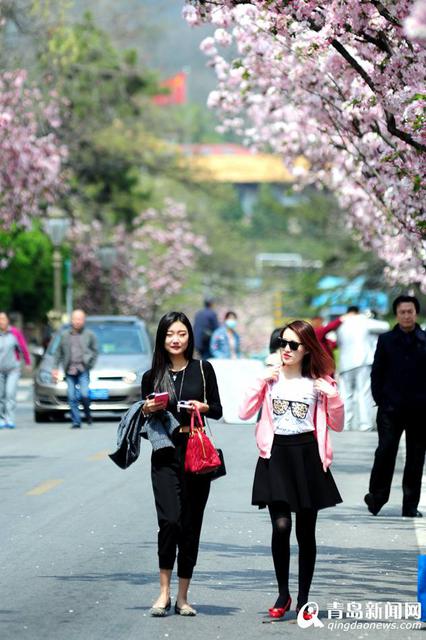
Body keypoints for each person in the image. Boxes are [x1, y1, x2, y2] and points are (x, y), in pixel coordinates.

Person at [239, 320, 344, 619]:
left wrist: (333, 397)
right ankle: (283, 593)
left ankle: (303, 599)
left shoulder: (319, 383)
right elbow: (243, 411)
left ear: (306, 348)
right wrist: (260, 381)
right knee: (281, 526)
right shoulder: (270, 379)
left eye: (293, 345)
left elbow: (337, 423)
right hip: (276, 455)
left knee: (305, 532)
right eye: (282, 343)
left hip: (307, 457)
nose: (286, 349)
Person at [141, 311, 223, 617]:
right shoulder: (151, 376)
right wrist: (147, 408)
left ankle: (183, 596)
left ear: (189, 337)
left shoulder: (203, 369)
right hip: (164, 454)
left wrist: (203, 406)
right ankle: (163, 593)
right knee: (170, 522)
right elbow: (146, 421)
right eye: (169, 334)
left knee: (190, 525)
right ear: (161, 339)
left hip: (195, 452)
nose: (175, 340)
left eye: (182, 334)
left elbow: (217, 409)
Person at [365, 295, 426, 518]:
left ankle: (410, 506)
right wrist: (380, 399)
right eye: (402, 312)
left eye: (410, 311)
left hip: (421, 410)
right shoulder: (386, 340)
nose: (407, 315)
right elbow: (377, 371)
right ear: (397, 314)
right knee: (385, 451)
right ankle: (377, 497)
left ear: (416, 313)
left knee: (416, 458)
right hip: (390, 408)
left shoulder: (424, 339)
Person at [336, 306, 388, 431]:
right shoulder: (363, 320)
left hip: (344, 364)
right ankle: (365, 425)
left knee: (345, 395)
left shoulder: (342, 324)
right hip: (362, 361)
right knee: (363, 393)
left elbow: (338, 342)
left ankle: (345, 424)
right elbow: (385, 326)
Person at [52, 309, 98, 429]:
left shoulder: (89, 335)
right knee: (71, 396)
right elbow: (58, 353)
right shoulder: (64, 335)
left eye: (80, 319)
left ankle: (87, 413)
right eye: (75, 319)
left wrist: (90, 364)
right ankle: (76, 421)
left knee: (84, 394)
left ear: (84, 321)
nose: (77, 322)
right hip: (70, 369)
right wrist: (55, 368)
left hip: (83, 369)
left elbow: (95, 351)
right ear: (71, 320)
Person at [0, 311, 31, 429]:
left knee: (10, 393)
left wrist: (27, 362)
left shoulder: (14, 333)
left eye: (3, 319)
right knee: (0, 395)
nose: (1, 321)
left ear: (8, 320)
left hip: (13, 369)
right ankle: (2, 419)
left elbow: (23, 347)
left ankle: (10, 418)